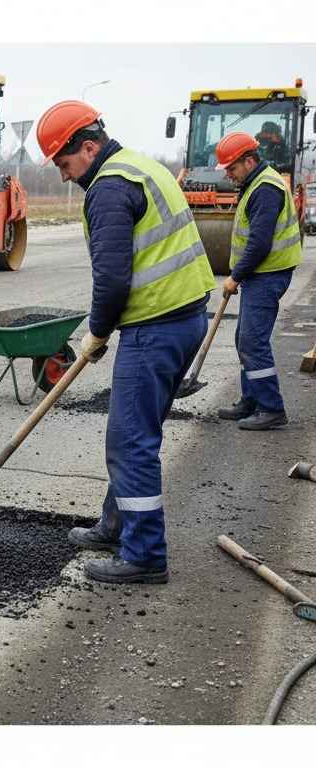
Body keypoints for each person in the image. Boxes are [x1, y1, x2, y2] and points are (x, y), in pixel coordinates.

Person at [37, 100, 215, 585]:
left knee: (129, 441)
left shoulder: (109, 188)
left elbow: (112, 278)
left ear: (89, 147)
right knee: (138, 433)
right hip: (184, 318)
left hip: (155, 327)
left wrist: (96, 332)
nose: (63, 176)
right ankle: (115, 525)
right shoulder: (138, 166)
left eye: (65, 163)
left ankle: (144, 554)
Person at [214, 131, 302, 429]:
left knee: (253, 341)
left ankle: (271, 408)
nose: (229, 174)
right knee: (244, 339)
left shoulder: (265, 188)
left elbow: (260, 243)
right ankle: (250, 400)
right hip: (260, 274)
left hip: (267, 274)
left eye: (232, 168)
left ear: (249, 161)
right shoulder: (255, 182)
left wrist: (235, 277)